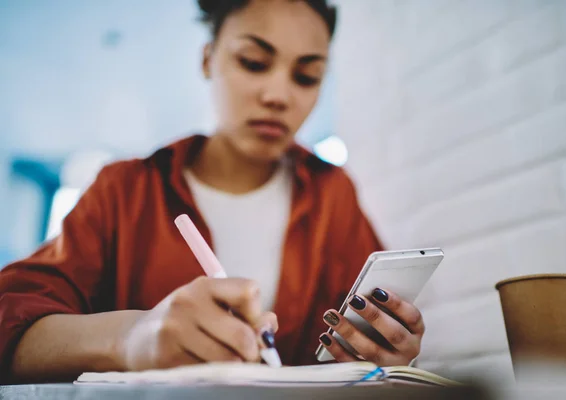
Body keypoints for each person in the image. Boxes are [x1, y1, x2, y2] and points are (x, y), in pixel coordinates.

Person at [0, 0, 425, 383]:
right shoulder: (125, 191)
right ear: (207, 58)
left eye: (307, 75)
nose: (278, 95)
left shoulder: (332, 194)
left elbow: (365, 343)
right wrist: (131, 338)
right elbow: (9, 321)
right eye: (254, 62)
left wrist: (385, 354)